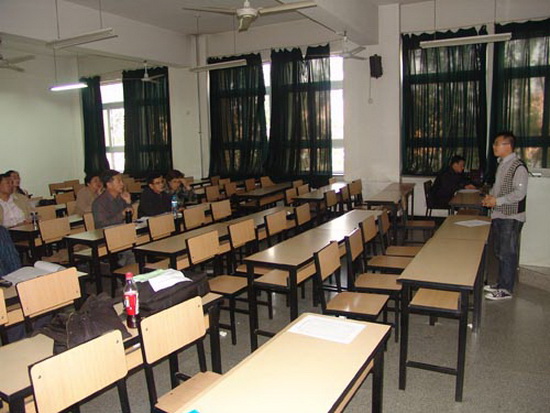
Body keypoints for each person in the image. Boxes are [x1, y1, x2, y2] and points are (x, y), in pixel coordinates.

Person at [482, 132, 528, 301]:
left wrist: (497, 200)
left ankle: (506, 288)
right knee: (500, 251)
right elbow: (498, 187)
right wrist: (490, 197)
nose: (494, 146)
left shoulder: (518, 167)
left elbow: (519, 193)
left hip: (512, 216)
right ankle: (501, 283)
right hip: (500, 214)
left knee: (508, 252)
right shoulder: (502, 164)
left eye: (497, 143)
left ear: (508, 146)